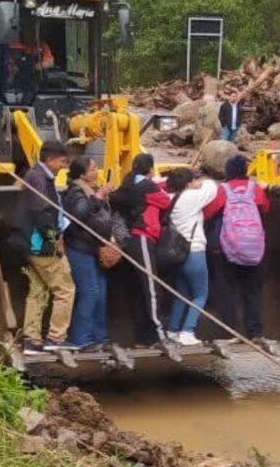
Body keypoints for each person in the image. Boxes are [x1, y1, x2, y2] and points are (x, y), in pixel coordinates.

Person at [109, 153, 175, 351]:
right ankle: (159, 333)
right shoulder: (146, 186)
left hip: (130, 241)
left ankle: (143, 337)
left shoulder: (128, 185)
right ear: (150, 169)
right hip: (143, 238)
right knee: (152, 288)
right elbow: (165, 201)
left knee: (138, 291)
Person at [22, 141, 76, 353]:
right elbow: (40, 212)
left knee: (38, 291)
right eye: (62, 162)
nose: (63, 166)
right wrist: (55, 239)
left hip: (33, 244)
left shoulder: (35, 176)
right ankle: (56, 338)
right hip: (42, 245)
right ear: (50, 159)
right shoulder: (39, 179)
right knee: (65, 290)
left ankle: (31, 340)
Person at [212, 154, 270, 341]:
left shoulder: (223, 189)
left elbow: (209, 212)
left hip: (227, 249)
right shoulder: (255, 189)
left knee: (227, 290)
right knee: (251, 290)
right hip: (253, 249)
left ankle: (230, 331)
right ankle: (255, 331)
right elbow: (265, 209)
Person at [166, 169, 223, 346]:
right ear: (187, 184)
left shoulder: (170, 198)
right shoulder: (190, 197)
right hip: (194, 251)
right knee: (200, 294)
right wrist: (201, 181)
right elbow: (212, 188)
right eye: (192, 181)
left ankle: (173, 330)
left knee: (183, 293)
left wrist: (193, 182)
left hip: (178, 254)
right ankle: (187, 331)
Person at [63, 156, 114, 350]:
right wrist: (99, 196)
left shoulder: (90, 189)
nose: (96, 171)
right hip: (79, 248)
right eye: (93, 169)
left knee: (100, 292)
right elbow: (79, 216)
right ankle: (79, 338)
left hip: (94, 248)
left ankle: (99, 337)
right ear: (82, 174)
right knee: (89, 292)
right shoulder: (75, 192)